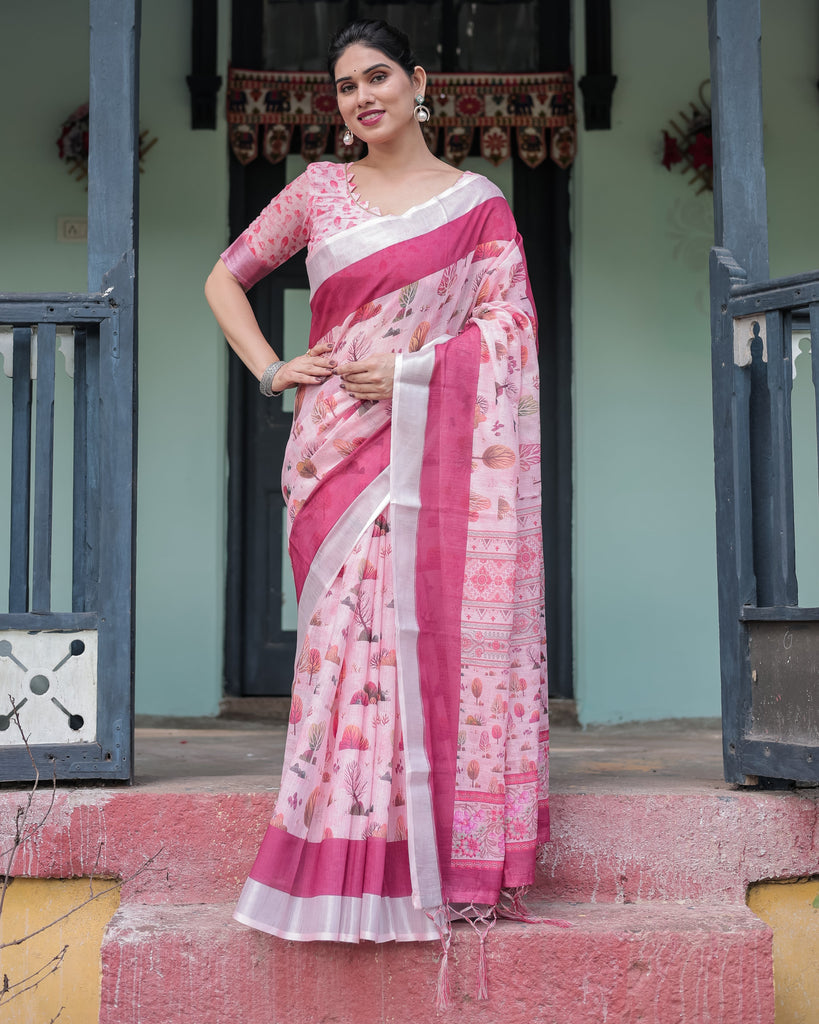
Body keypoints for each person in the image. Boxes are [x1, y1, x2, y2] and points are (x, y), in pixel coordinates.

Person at [205, 17, 553, 1004]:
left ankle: (417, 858)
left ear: (419, 82)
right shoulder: (318, 191)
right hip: (331, 455)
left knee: (414, 643)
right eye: (345, 86)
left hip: (425, 450)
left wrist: (412, 368)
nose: (361, 97)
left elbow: (511, 328)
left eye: (377, 77)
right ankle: (331, 852)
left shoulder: (477, 206)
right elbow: (225, 277)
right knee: (342, 656)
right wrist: (273, 367)